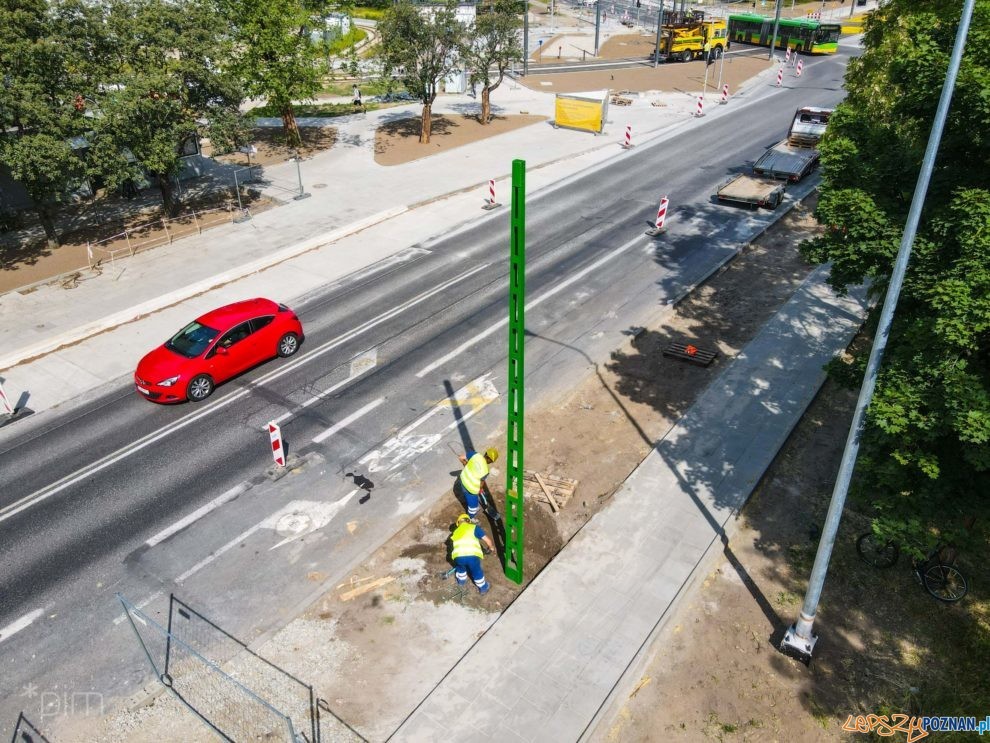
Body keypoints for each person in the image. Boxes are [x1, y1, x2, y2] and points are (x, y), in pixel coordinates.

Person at [450, 513, 496, 594]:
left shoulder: (455, 532)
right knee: (476, 571)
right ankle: (483, 587)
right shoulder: (474, 528)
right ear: (469, 521)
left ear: (458, 524)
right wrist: (491, 547)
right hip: (472, 556)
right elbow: (487, 540)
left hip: (458, 556)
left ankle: (461, 581)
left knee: (461, 568)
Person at [457, 447, 498, 522]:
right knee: (473, 508)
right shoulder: (486, 471)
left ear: (486, 453)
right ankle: (470, 518)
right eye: (491, 461)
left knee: (467, 495)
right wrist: (480, 489)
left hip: (462, 480)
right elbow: (481, 484)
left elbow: (461, 458)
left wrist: (465, 464)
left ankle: (470, 502)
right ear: (490, 461)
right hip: (470, 489)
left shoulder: (475, 455)